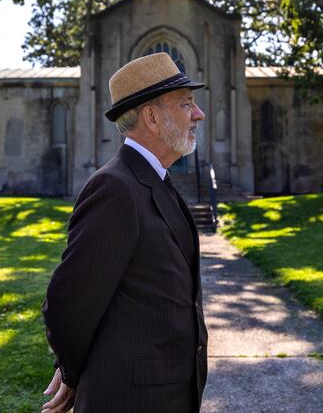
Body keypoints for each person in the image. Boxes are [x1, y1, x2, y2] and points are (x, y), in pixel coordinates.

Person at [40, 52, 209, 413]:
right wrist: (72, 372)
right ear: (151, 116)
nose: (198, 114)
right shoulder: (115, 188)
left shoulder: (154, 180)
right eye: (186, 104)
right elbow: (68, 303)